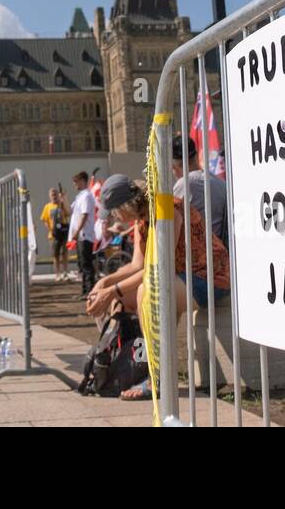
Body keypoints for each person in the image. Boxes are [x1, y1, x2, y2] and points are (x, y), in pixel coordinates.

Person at [84, 173, 222, 401]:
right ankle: (132, 364)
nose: (115, 218)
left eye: (116, 212)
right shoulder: (141, 221)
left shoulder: (165, 208)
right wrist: (104, 284)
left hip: (208, 278)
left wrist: (111, 290)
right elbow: (137, 265)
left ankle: (157, 377)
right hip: (177, 279)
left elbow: (158, 268)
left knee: (145, 292)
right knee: (120, 299)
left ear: (124, 205)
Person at [171, 136, 228, 246]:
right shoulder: (220, 182)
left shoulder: (184, 184)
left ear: (174, 167)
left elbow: (170, 222)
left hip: (196, 255)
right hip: (221, 251)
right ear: (196, 155)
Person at [68, 171, 98, 296]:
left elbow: (85, 215)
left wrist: (77, 231)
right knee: (82, 264)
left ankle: (89, 292)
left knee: (86, 265)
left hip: (85, 235)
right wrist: (63, 198)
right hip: (81, 236)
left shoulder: (86, 196)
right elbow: (70, 211)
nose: (75, 184)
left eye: (76, 182)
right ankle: (85, 291)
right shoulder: (79, 196)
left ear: (83, 181)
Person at [40, 187, 69, 282]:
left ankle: (65, 272)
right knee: (55, 255)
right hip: (53, 235)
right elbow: (44, 219)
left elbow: (68, 213)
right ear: (50, 196)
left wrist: (63, 201)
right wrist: (50, 229)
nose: (54, 196)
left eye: (56, 194)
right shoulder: (47, 207)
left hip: (63, 233)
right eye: (52, 195)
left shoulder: (61, 205)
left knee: (64, 253)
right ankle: (57, 274)